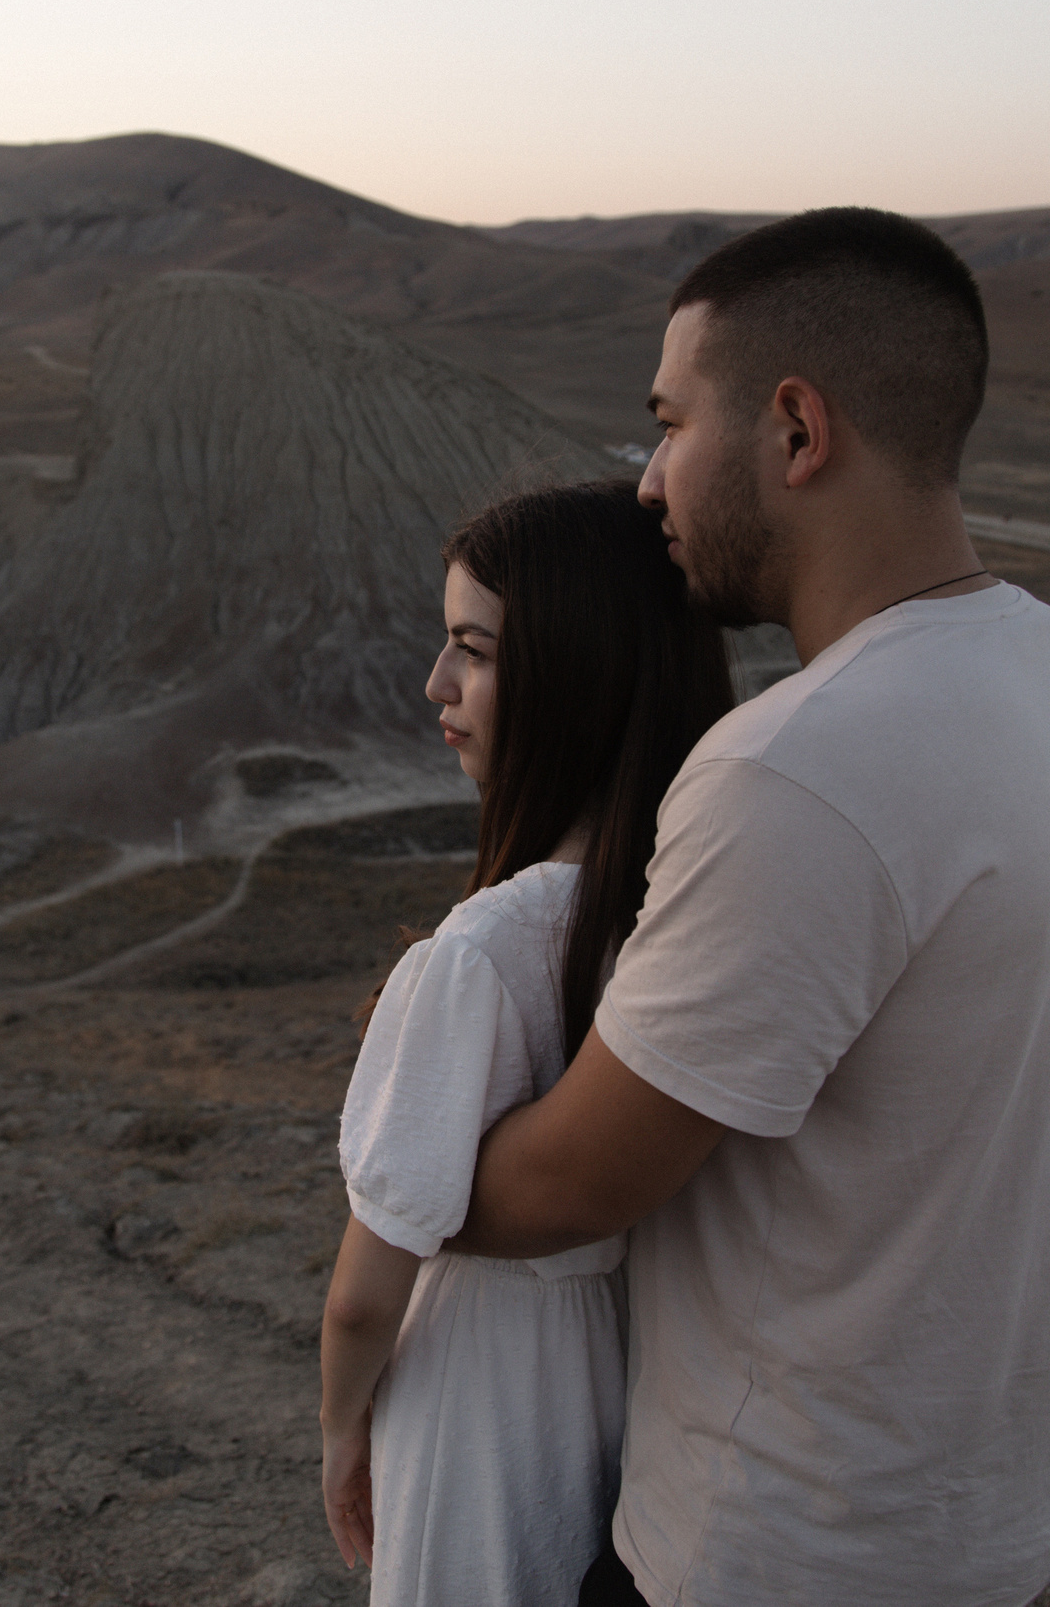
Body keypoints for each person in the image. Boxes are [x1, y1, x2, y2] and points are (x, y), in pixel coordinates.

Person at [451, 210, 1050, 1606]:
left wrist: (393, 1153)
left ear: (796, 428)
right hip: (993, 1502)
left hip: (789, 1539)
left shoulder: (798, 766)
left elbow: (575, 1182)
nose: (649, 483)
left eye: (671, 425)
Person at [318, 480, 736, 1606]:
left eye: (474, 650)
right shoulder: (677, 919)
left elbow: (365, 1289)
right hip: (621, 1371)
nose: (436, 683)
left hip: (477, 1393)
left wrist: (341, 1427)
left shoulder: (480, 954)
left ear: (573, 677)